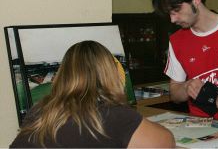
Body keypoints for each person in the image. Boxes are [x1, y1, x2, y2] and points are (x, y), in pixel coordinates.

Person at [10, 40, 175, 148]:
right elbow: (166, 143)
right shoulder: (116, 115)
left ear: (64, 74)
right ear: (111, 74)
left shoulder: (39, 110)